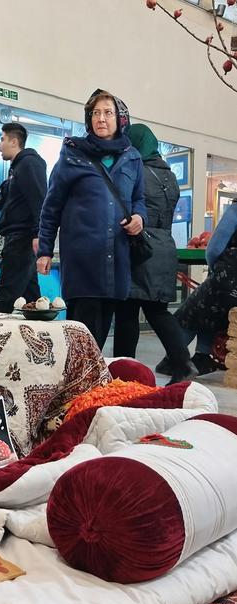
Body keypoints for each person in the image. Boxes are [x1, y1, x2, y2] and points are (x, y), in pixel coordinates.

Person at [36, 89, 147, 349]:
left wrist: (140, 217)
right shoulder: (72, 155)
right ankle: (81, 387)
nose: (101, 118)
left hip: (116, 258)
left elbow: (140, 198)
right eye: (95, 113)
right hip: (82, 260)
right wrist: (45, 250)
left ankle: (94, 387)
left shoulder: (132, 158)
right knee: (82, 338)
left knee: (101, 333)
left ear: (120, 119)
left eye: (108, 113)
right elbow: (51, 206)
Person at [112, 124, 197, 385]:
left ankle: (123, 372)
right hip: (164, 245)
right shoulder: (169, 175)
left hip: (140, 245)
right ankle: (182, 362)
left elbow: (124, 207)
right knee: (157, 310)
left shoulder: (136, 170)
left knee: (127, 312)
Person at [156, 199, 237, 377]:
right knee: (210, 308)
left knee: (191, 311)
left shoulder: (236, 209)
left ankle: (175, 359)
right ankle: (203, 356)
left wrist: (217, 269)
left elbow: (214, 248)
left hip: (230, 277)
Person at [0, 123, 47, 313]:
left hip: (22, 238)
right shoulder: (17, 167)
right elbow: (21, 201)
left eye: (2, 139)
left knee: (4, 299)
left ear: (14, 141)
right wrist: (1, 202)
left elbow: (38, 199)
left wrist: (38, 233)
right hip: (20, 237)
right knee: (33, 302)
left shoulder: (29, 164)